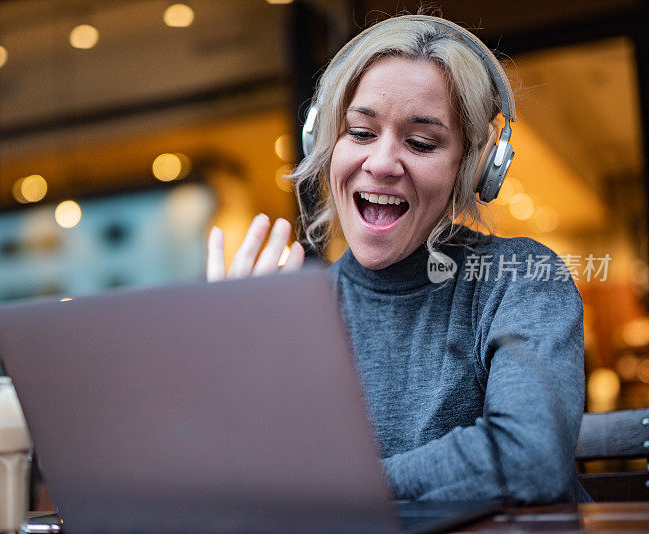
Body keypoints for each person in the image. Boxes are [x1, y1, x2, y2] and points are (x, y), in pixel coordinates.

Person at [207, 15, 588, 503]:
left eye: (421, 142)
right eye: (360, 133)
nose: (383, 163)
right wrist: (230, 371)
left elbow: (528, 456)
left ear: (471, 169)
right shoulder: (290, 306)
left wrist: (344, 489)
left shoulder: (519, 280)